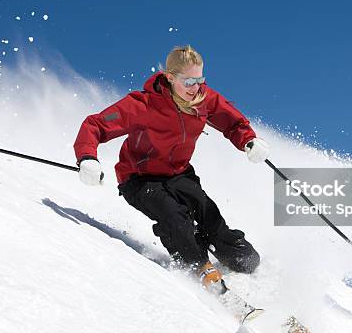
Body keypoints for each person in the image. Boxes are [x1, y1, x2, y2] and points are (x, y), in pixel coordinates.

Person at [73, 45, 270, 289]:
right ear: (170, 77)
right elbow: (95, 126)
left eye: (200, 80)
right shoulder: (143, 104)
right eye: (188, 81)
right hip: (139, 179)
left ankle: (233, 255)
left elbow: (232, 123)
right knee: (174, 217)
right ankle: (198, 267)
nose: (195, 87)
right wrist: (87, 158)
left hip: (179, 173)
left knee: (211, 218)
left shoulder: (204, 100)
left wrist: (248, 140)